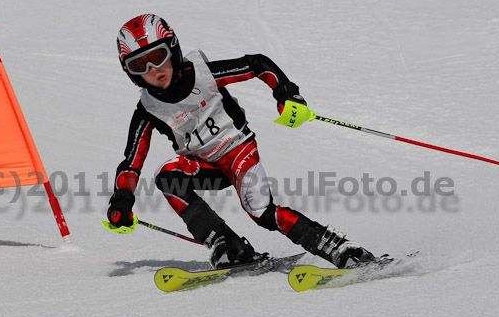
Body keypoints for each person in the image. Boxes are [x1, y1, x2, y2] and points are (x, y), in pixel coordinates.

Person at [107, 14, 378, 269]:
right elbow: (131, 163)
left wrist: (285, 93)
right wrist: (122, 199)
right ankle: (227, 245)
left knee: (261, 212)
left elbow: (256, 64)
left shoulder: (203, 76)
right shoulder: (148, 109)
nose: (154, 69)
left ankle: (342, 249)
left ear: (174, 49)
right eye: (140, 64)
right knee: (167, 176)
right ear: (131, 73)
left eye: (158, 56)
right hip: (206, 168)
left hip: (238, 151)